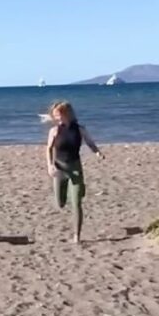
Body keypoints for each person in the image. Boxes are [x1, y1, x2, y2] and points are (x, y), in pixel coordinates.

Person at [45, 100, 104, 243]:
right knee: (60, 203)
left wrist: (97, 152)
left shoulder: (80, 129)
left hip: (75, 169)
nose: (56, 118)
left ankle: (77, 236)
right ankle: (67, 189)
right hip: (60, 169)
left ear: (67, 113)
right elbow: (48, 148)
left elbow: (90, 142)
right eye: (54, 116)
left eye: (58, 115)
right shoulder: (54, 131)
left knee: (76, 203)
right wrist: (50, 165)